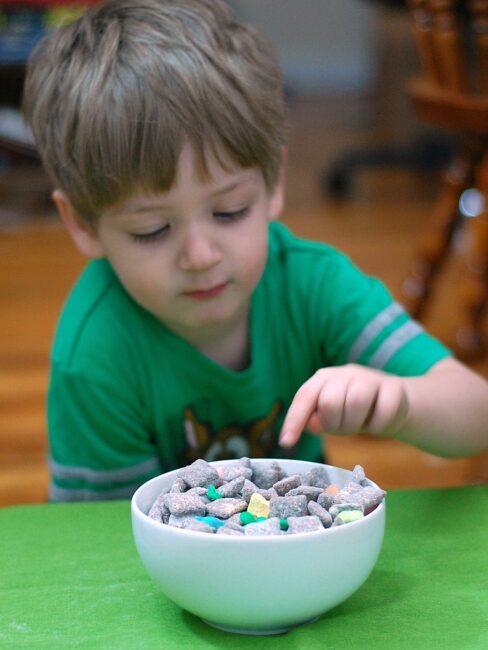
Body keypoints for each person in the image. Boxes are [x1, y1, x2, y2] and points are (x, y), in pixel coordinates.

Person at [22, 0, 488, 502]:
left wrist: (399, 404)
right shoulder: (96, 354)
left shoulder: (312, 284)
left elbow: (477, 417)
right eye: (152, 229)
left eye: (229, 212)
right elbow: (97, 542)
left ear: (273, 183)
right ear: (82, 224)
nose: (200, 256)